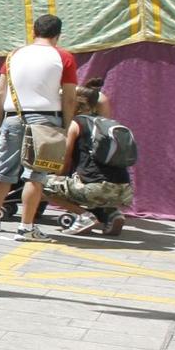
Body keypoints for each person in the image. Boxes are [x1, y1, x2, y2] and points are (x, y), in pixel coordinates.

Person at [0, 13, 77, 241]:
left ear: (33, 31)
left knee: (4, 169)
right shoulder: (63, 57)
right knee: (36, 174)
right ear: (58, 34)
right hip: (45, 120)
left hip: (13, 116)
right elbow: (70, 97)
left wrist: (0, 121)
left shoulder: (13, 55)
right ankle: (26, 227)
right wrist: (65, 125)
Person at [40, 83, 134, 237]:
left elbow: (66, 158)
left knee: (42, 183)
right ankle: (113, 214)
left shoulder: (78, 123)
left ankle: (84, 216)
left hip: (96, 188)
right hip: (124, 190)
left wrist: (58, 175)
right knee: (92, 183)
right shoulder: (110, 123)